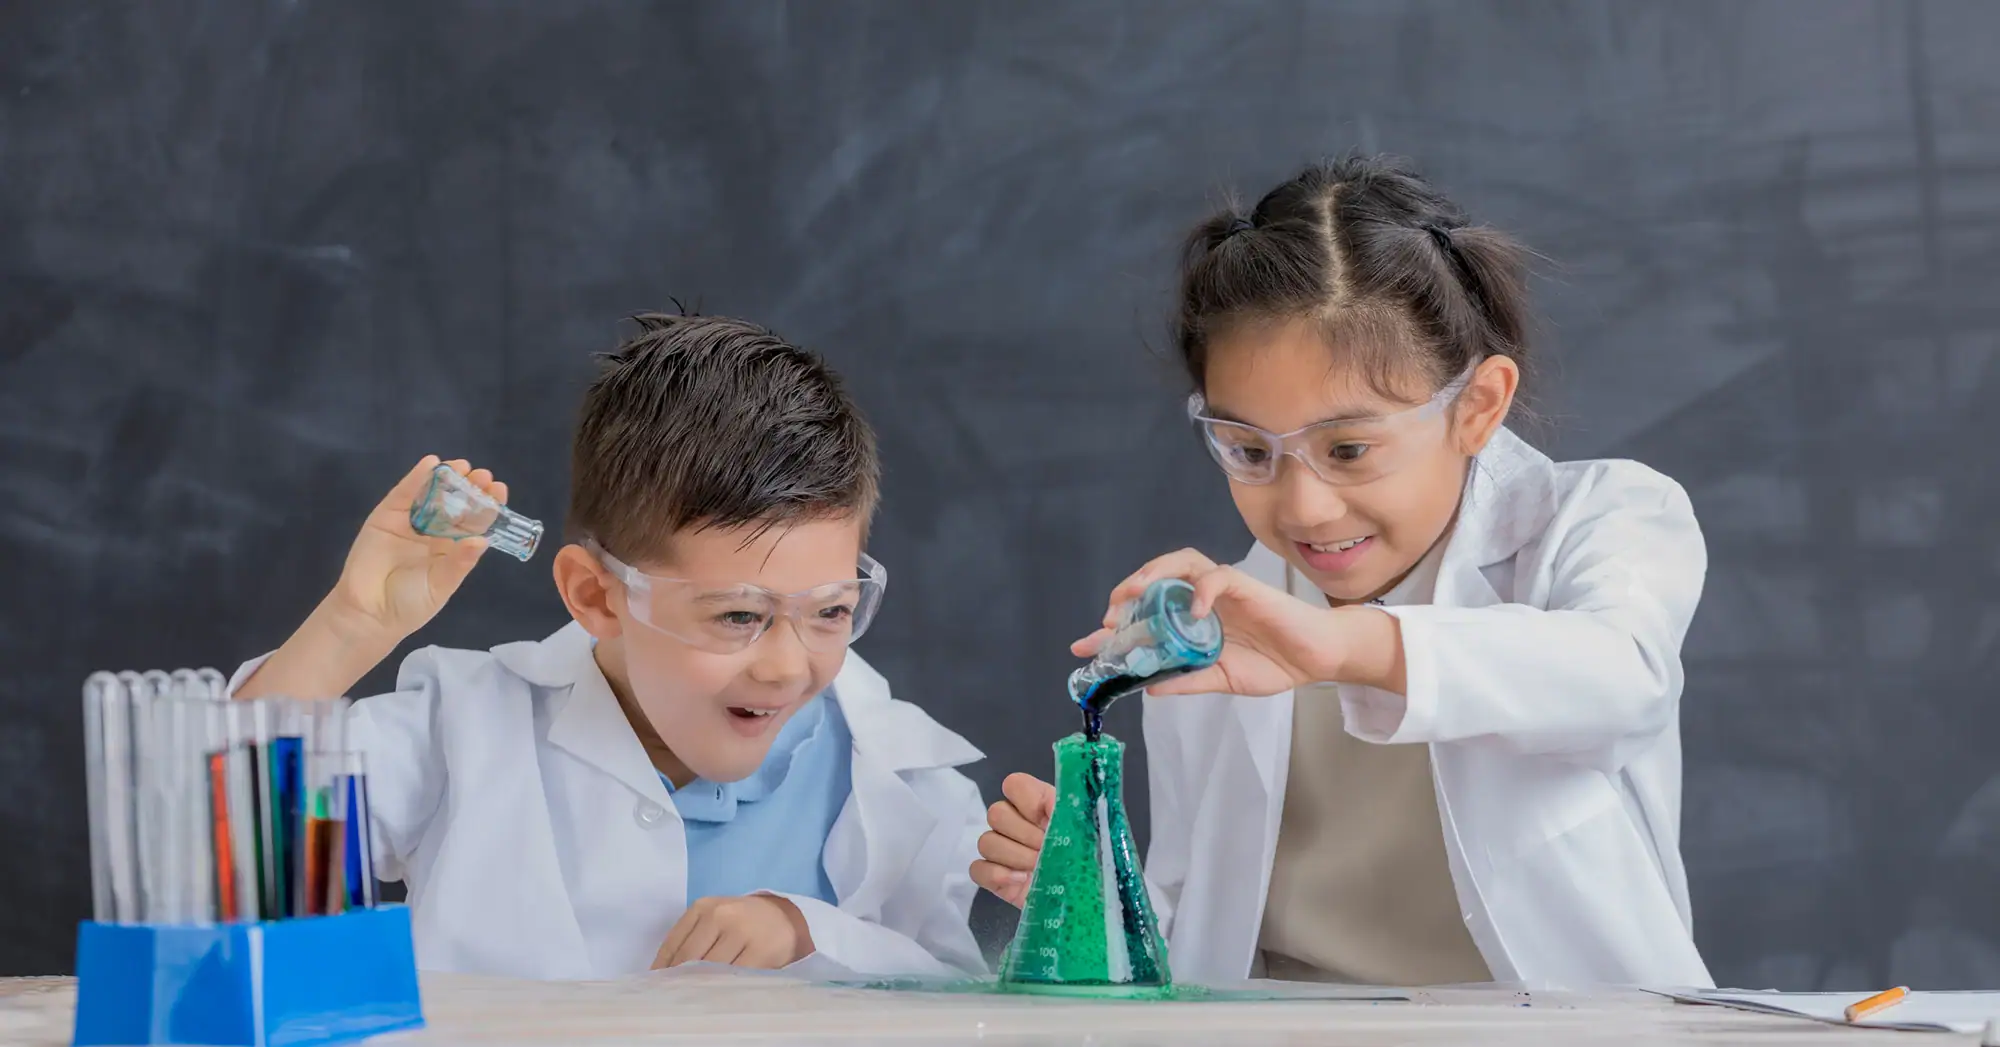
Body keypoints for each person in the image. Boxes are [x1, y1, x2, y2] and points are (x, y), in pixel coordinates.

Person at [972, 156, 1715, 989]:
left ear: (1477, 406)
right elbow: (1207, 941)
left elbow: (1624, 676)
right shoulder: (1214, 629)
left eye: (1350, 448)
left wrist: (1342, 648)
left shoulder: (1605, 517)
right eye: (1250, 450)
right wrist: (1095, 892)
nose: (1305, 508)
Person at [233, 313, 985, 980]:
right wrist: (352, 623)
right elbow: (231, 847)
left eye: (831, 609)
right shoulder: (463, 731)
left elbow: (962, 995)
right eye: (735, 616)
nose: (788, 665)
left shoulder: (903, 782)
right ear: (597, 596)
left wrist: (808, 932)